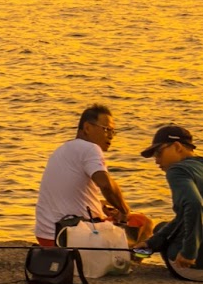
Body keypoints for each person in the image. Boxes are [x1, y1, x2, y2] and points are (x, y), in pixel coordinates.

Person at [34, 104, 156, 248]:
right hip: (73, 237)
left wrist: (100, 204)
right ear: (87, 128)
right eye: (106, 129)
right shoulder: (90, 148)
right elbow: (106, 185)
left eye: (113, 131)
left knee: (108, 216)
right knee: (143, 223)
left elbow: (69, 195)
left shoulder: (62, 150)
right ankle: (132, 261)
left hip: (47, 235)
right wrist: (124, 210)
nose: (110, 136)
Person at [136, 125, 203, 281]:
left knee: (161, 227)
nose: (156, 160)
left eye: (158, 153)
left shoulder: (177, 171)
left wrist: (189, 252)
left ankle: (137, 257)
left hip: (193, 270)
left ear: (177, 146)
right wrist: (151, 243)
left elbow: (194, 205)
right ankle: (144, 250)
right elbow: (187, 214)